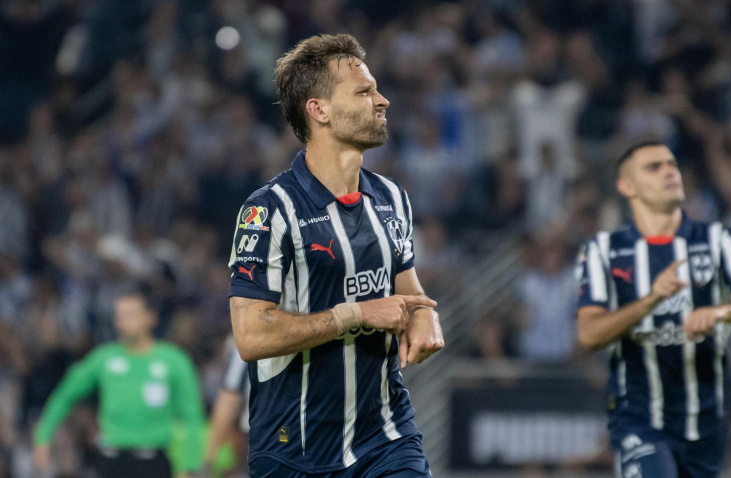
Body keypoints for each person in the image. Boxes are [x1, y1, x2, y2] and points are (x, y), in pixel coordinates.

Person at [228, 33, 443, 477]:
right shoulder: (268, 210)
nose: (381, 101)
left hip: (385, 436)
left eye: (376, 89)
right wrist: (358, 314)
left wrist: (425, 316)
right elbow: (251, 336)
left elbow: (409, 290)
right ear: (318, 109)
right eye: (364, 92)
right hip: (292, 447)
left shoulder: (391, 197)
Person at [575, 141, 731, 477]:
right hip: (639, 418)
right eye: (653, 167)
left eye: (672, 164)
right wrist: (651, 300)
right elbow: (589, 333)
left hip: (706, 425)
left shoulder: (720, 239)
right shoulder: (603, 251)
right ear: (627, 186)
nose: (669, 171)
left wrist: (720, 312)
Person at [32, 291, 205, 478]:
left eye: (131, 314)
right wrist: (44, 436)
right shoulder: (104, 358)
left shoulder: (174, 361)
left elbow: (193, 415)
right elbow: (65, 395)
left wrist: (190, 464)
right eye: (119, 315)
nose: (123, 321)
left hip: (153, 461)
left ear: (150, 317)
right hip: (110, 460)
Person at [203, 337, 250, 476]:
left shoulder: (249, 338)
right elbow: (230, 395)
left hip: (269, 433)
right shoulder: (247, 342)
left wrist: (209, 457)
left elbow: (230, 395)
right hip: (267, 432)